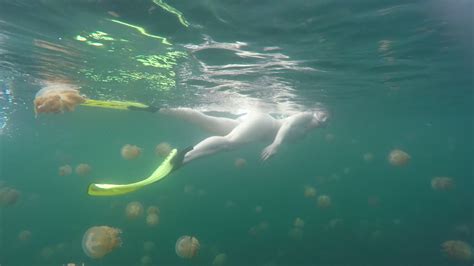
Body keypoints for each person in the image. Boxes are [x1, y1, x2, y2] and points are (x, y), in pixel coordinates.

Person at [159, 107, 329, 166]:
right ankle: (185, 157)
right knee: (228, 143)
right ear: (316, 112)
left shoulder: (306, 131)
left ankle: (164, 110)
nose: (324, 119)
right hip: (265, 123)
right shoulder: (306, 115)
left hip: (259, 125)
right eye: (323, 115)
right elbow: (287, 124)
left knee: (211, 123)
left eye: (327, 119)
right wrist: (276, 145)